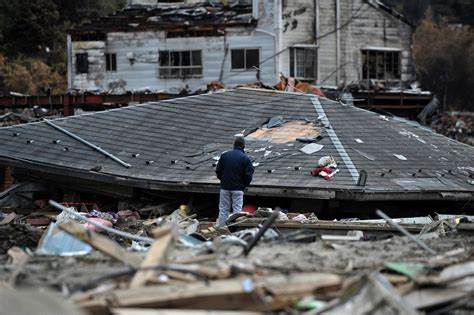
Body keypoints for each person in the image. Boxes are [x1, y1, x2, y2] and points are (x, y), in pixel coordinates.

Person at [215, 136, 254, 228]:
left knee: (224, 209)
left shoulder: (225, 156)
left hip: (225, 187)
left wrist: (223, 180)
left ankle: (221, 229)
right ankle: (235, 229)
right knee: (237, 211)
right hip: (238, 189)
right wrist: (244, 185)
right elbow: (248, 175)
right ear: (243, 146)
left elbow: (218, 171)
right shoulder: (245, 158)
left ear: (234, 145)